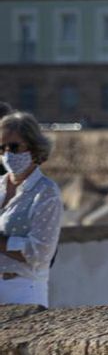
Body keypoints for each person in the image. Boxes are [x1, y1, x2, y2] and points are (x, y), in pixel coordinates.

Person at [0, 113, 60, 307]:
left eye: (14, 147)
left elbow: (41, 252)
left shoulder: (46, 192)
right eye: (1, 148)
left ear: (33, 147)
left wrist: (2, 243)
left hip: (22, 289)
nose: (8, 154)